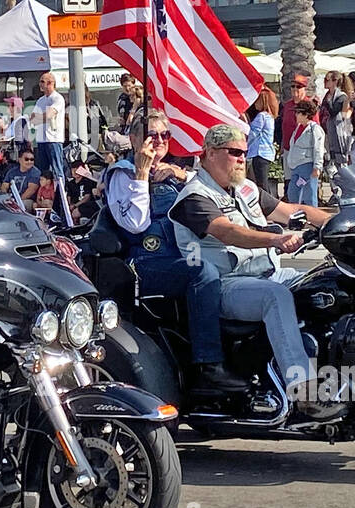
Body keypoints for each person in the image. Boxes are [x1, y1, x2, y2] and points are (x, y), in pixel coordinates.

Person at [167, 123, 335, 410]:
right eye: (234, 152)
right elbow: (228, 232)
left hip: (267, 273)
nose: (242, 158)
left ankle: (345, 373)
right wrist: (277, 239)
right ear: (208, 154)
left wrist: (340, 223)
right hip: (226, 284)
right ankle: (303, 390)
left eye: (244, 152)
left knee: (327, 281)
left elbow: (293, 211)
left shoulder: (244, 188)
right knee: (275, 296)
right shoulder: (195, 196)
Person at [101, 111, 240, 393]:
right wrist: (142, 174)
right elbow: (135, 223)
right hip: (145, 261)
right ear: (134, 138)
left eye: (165, 135)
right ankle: (209, 366)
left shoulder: (175, 172)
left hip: (182, 255)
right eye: (152, 134)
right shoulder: (122, 174)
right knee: (203, 273)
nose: (160, 140)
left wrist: (182, 174)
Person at [31, 72, 67, 213]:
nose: (40, 84)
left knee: (57, 171)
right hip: (41, 139)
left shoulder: (57, 98)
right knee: (43, 173)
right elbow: (33, 119)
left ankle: (61, 199)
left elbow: (50, 115)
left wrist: (41, 117)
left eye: (42, 81)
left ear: (50, 83)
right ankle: (44, 200)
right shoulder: (40, 101)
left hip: (54, 139)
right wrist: (42, 117)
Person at [286, 99, 324, 206]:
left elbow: (318, 149)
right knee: (293, 193)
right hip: (296, 167)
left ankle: (313, 219)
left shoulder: (315, 129)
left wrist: (317, 167)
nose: (296, 115)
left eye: (298, 112)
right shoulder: (298, 128)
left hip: (307, 166)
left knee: (309, 196)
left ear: (306, 115)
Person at [319, 71, 354, 170]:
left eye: (327, 80)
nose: (324, 82)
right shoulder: (328, 95)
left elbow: (333, 111)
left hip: (339, 132)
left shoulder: (341, 96)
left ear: (335, 81)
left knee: (340, 159)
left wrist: (329, 101)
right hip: (329, 130)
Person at [246, 88, 278, 187]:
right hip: (267, 153)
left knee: (261, 183)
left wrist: (245, 144)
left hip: (259, 152)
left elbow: (253, 133)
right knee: (263, 181)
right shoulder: (270, 117)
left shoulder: (262, 116)